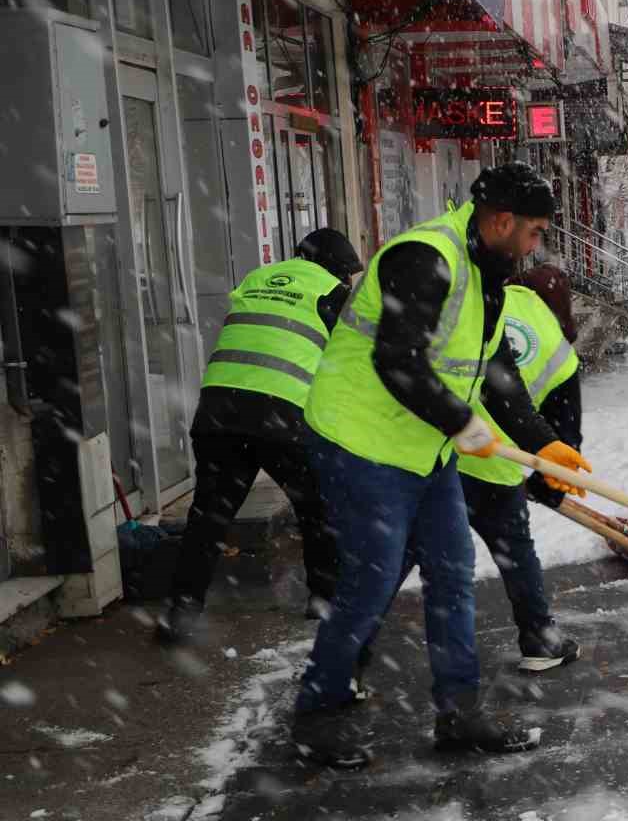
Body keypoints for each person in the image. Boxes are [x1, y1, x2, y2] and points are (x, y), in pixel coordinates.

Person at [289, 163, 593, 769]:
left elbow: (496, 375)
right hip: (361, 441)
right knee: (372, 580)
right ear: (501, 221)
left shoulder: (489, 278)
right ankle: (317, 711)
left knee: (453, 575)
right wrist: (461, 422)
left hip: (424, 449)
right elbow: (398, 360)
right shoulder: (425, 258)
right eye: (533, 232)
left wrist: (544, 446)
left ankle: (459, 712)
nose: (537, 246)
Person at [156, 229, 362, 646]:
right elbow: (350, 365)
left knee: (209, 516)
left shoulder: (257, 277)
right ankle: (324, 600)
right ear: (337, 269)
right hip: (281, 413)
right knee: (319, 508)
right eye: (348, 275)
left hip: (219, 412)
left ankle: (180, 612)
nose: (349, 283)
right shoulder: (332, 293)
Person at [375, 274, 583, 676]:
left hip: (437, 449)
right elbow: (564, 436)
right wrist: (545, 484)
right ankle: (540, 638)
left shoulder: (484, 302)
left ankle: (351, 650)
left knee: (402, 553)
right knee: (515, 552)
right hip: (495, 465)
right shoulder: (560, 349)